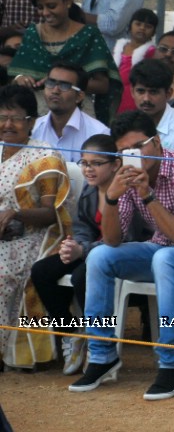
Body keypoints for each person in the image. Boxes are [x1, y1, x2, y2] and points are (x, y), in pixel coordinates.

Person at [69, 111, 174, 399]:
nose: (133, 154)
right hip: (162, 249)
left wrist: (146, 194)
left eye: (139, 146)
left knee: (164, 257)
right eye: (124, 151)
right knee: (100, 257)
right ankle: (102, 354)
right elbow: (113, 240)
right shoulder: (126, 173)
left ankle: (171, 360)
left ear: (156, 141)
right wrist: (112, 198)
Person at [29, 134, 149, 376]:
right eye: (84, 163)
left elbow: (123, 240)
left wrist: (82, 250)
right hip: (93, 250)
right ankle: (72, 333)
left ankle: (99, 344)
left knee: (81, 275)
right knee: (41, 271)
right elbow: (83, 225)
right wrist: (73, 246)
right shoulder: (89, 190)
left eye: (96, 163)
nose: (88, 169)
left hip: (125, 255)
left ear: (115, 164)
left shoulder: (128, 192)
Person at [0, 84, 70, 368]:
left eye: (16, 118)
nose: (8, 124)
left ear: (31, 122)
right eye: (2, 116)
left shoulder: (44, 157)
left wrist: (14, 214)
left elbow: (52, 213)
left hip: (33, 237)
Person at [8, 0, 120, 124]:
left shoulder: (88, 35)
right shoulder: (32, 34)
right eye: (40, 7)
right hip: (37, 116)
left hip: (78, 115)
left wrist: (61, 83)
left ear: (67, 1)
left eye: (52, 6)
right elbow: (13, 75)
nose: (46, 13)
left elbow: (103, 85)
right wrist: (20, 78)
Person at [30, 61, 110, 162]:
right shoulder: (33, 129)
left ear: (79, 96)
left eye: (64, 86)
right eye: (50, 83)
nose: (55, 90)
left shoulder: (99, 133)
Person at [129, 59, 174, 154]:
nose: (146, 99)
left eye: (153, 92)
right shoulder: (127, 124)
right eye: (141, 91)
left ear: (168, 94)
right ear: (132, 92)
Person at [113, 7, 158, 113]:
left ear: (153, 33)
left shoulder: (151, 52)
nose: (142, 28)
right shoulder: (119, 47)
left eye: (148, 26)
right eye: (138, 24)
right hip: (115, 96)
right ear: (130, 26)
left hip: (134, 99)